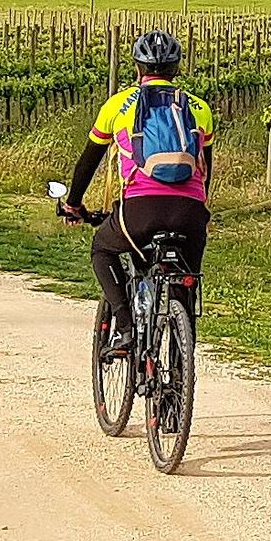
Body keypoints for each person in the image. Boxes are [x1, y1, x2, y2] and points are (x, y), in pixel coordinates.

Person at [61, 30, 214, 355]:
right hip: (191, 212)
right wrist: (202, 212)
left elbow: (87, 163)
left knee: (103, 250)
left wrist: (73, 204)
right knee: (185, 285)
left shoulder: (117, 105)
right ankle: (180, 363)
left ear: (137, 68)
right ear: (177, 68)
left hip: (140, 210)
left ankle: (127, 328)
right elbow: (205, 171)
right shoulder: (199, 108)